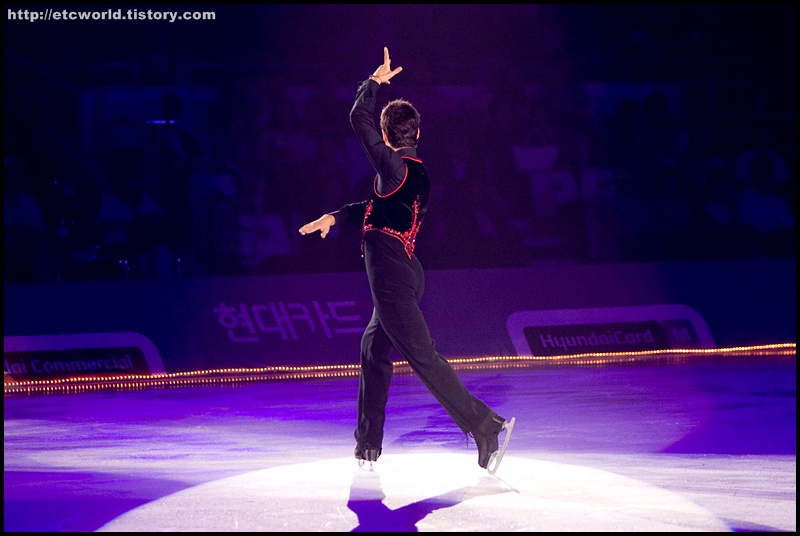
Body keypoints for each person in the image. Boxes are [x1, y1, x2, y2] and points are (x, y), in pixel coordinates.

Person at [299, 48, 513, 471]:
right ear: (418, 132)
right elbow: (375, 209)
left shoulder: (393, 166)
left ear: (388, 134)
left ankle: (485, 426)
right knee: (373, 347)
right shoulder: (416, 172)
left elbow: (357, 120)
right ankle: (368, 445)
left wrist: (373, 84)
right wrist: (335, 216)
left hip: (391, 273)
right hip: (406, 270)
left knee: (422, 356)